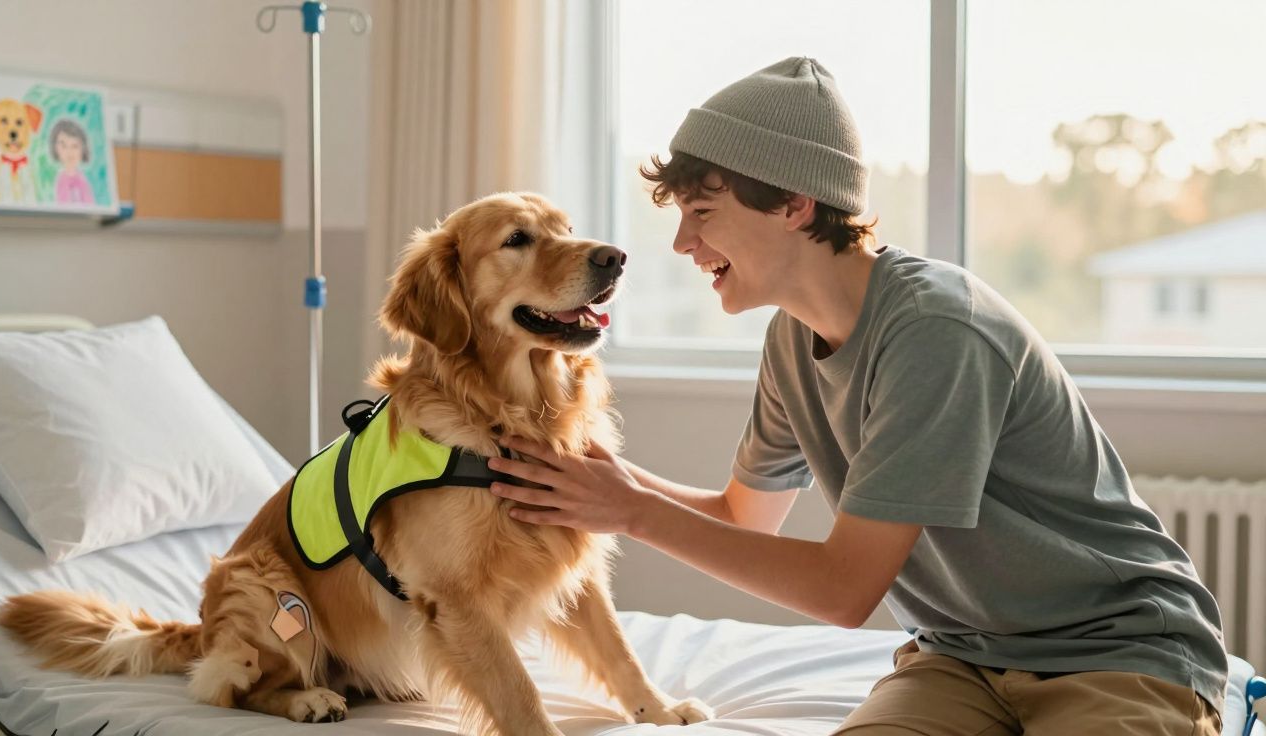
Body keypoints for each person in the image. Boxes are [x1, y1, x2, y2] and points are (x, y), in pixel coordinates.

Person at [486, 56, 1226, 735]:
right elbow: (743, 517)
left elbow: (844, 592)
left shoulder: (938, 330)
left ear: (795, 205)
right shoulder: (791, 339)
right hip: (960, 660)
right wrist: (592, 476)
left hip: (1117, 650)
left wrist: (631, 511)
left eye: (702, 213)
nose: (682, 243)